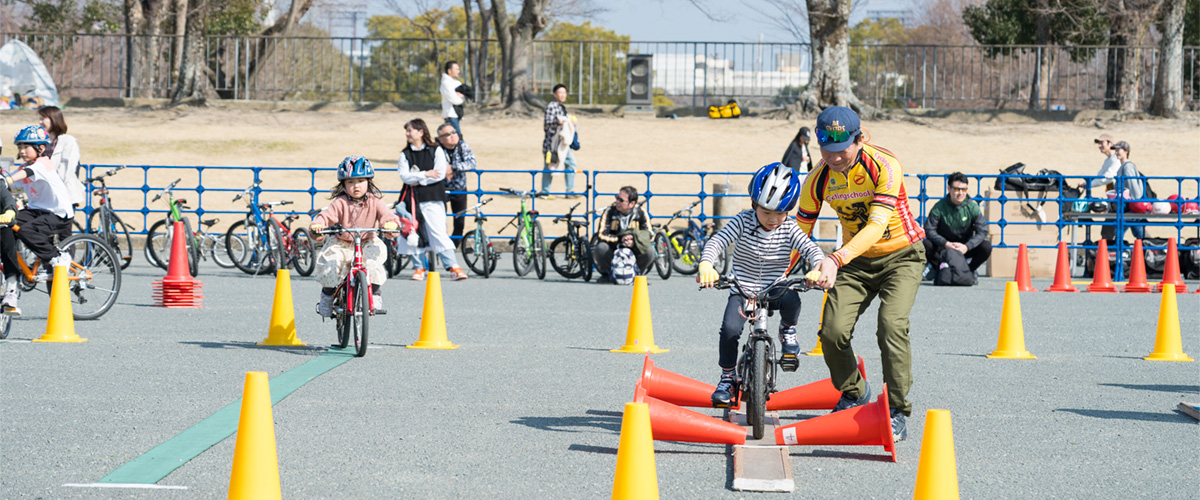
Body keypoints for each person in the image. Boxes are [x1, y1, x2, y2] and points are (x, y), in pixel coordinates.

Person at [798, 106, 926, 442]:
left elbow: (877, 225)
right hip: (855, 262)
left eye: (842, 150)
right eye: (826, 150)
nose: (834, 158)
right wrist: (772, 276)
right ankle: (854, 391)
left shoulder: (884, 164)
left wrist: (835, 259)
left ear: (860, 138)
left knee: (891, 325)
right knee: (831, 332)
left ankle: (896, 409)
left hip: (901, 256)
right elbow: (799, 233)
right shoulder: (818, 178)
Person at [697, 163, 826, 406]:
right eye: (767, 212)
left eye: (781, 212)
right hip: (742, 286)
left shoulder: (788, 227)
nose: (774, 219)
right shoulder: (742, 221)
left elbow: (810, 248)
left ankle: (787, 330)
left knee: (791, 298)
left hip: (774, 284)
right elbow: (717, 241)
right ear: (754, 204)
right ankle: (727, 378)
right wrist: (707, 264)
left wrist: (817, 267)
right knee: (730, 330)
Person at [309, 156, 400, 316]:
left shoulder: (375, 201)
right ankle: (328, 295)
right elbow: (326, 216)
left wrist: (390, 224)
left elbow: (386, 215)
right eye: (350, 182)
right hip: (341, 242)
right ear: (343, 185)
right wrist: (319, 225)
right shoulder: (341, 202)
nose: (355, 186)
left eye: (360, 181)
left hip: (367, 241)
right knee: (332, 265)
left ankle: (375, 294)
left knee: (373, 264)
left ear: (369, 182)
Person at [3, 126, 76, 316]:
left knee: (25, 230)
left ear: (40, 148)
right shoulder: (24, 167)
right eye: (19, 146)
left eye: (26, 146)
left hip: (58, 213)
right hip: (36, 210)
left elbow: (16, 179)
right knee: (8, 225)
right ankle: (15, 277)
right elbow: (11, 188)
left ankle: (56, 257)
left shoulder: (43, 163)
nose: (21, 151)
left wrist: (6, 180)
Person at [396, 118, 468, 281]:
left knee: (437, 231)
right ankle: (418, 267)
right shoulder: (405, 154)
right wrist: (425, 174)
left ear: (421, 132)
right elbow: (404, 176)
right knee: (412, 231)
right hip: (411, 199)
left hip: (433, 197)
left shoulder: (436, 150)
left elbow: (440, 174)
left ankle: (453, 267)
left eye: (410, 130)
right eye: (406, 131)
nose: (407, 134)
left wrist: (418, 179)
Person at [922, 172, 991, 285]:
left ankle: (968, 271)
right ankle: (939, 269)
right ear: (949, 188)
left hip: (964, 248)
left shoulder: (972, 207)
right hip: (944, 248)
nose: (960, 193)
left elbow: (982, 231)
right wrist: (946, 243)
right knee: (925, 245)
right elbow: (929, 229)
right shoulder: (939, 207)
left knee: (986, 247)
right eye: (957, 189)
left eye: (964, 190)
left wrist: (967, 247)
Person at [594, 186, 651, 281]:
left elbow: (649, 234)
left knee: (649, 251)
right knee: (601, 248)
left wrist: (634, 241)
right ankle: (607, 275)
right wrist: (621, 240)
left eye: (621, 200)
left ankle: (637, 275)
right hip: (614, 247)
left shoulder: (641, 212)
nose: (617, 201)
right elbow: (601, 234)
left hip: (634, 247)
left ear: (631, 203)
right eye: (617, 198)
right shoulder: (609, 212)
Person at [435, 122, 476, 249]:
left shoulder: (462, 145)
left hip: (459, 188)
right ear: (441, 139)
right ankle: (441, 244)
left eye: (454, 132)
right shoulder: (436, 149)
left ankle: (454, 245)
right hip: (441, 188)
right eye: (447, 134)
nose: (453, 136)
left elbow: (472, 163)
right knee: (439, 218)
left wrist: (453, 168)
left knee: (459, 220)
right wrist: (443, 170)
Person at [37, 106, 86, 211]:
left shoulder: (68, 141)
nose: (40, 122)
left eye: (43, 118)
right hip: (45, 196)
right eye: (39, 119)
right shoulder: (41, 143)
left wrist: (56, 188)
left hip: (64, 196)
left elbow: (68, 170)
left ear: (54, 119)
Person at [539, 83, 576, 199]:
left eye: (564, 92)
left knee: (571, 163)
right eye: (560, 92)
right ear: (555, 94)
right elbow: (547, 123)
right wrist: (558, 122)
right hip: (552, 143)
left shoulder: (561, 107)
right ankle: (545, 192)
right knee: (549, 165)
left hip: (562, 143)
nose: (563, 95)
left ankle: (569, 191)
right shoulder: (551, 106)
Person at [1110, 141, 1149, 241]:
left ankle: (1119, 252)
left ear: (1126, 151)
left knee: (1119, 227)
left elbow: (1133, 188)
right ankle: (1150, 250)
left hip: (1131, 205)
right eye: (1116, 150)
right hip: (1131, 206)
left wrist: (1133, 200)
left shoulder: (1127, 167)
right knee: (1138, 231)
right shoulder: (1125, 166)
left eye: (1119, 150)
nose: (1116, 152)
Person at [440, 61, 469, 137]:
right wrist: (462, 98)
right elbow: (454, 100)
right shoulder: (446, 83)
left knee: (452, 138)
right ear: (449, 71)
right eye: (456, 69)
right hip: (450, 115)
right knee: (457, 138)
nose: (458, 71)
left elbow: (466, 94)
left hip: (456, 114)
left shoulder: (456, 82)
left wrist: (463, 96)